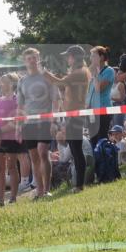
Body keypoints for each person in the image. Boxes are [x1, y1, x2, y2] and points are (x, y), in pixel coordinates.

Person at [43, 46, 92, 192]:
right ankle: (79, 183)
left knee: (76, 150)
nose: (67, 59)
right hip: (72, 114)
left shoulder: (79, 72)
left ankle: (80, 185)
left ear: (74, 57)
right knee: (75, 149)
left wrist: (44, 73)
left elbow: (59, 83)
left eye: (69, 56)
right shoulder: (79, 71)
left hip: (75, 115)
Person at [17, 48, 55, 200]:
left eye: (34, 58)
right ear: (25, 61)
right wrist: (19, 127)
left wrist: (54, 121)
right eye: (29, 59)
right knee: (34, 157)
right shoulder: (22, 81)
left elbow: (55, 101)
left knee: (43, 152)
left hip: (45, 120)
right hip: (28, 122)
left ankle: (47, 189)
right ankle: (39, 190)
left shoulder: (46, 77)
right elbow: (20, 106)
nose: (32, 61)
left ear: (38, 58)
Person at [0, 72, 24, 205]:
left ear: (12, 84)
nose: (0, 84)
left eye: (3, 81)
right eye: (0, 81)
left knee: (11, 167)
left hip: (11, 138)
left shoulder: (17, 100)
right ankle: (0, 200)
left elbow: (16, 121)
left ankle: (13, 197)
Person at [87, 46, 115, 148]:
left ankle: (105, 162)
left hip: (103, 108)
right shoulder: (91, 72)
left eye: (93, 56)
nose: (91, 59)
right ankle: (97, 163)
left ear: (102, 57)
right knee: (93, 139)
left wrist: (95, 74)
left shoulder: (109, 71)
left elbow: (99, 89)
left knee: (101, 138)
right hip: (91, 110)